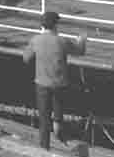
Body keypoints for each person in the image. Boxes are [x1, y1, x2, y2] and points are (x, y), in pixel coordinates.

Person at [24, 10, 87, 149]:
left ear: (42, 25)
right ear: (55, 25)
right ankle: (60, 136)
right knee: (58, 117)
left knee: (44, 118)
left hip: (41, 84)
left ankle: (44, 147)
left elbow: (26, 58)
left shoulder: (36, 40)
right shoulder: (62, 41)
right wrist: (82, 40)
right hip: (59, 85)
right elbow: (80, 51)